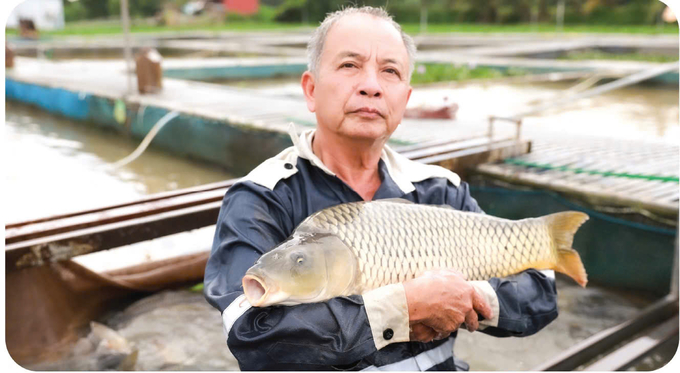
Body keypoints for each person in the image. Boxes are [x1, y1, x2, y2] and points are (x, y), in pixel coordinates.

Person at [204, 6, 558, 371]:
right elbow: (250, 335)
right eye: (349, 65)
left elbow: (541, 295)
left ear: (404, 100)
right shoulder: (262, 197)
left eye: (389, 71)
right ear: (311, 90)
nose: (370, 85)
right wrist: (403, 307)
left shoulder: (440, 190)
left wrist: (466, 295)